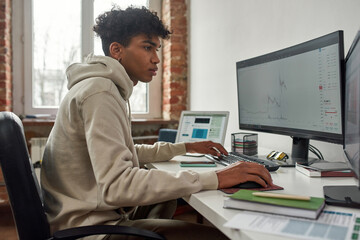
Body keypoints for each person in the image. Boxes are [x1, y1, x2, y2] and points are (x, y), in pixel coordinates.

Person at [41, 6, 273, 240]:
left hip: (89, 212)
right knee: (224, 236)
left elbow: (128, 152)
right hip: (88, 229)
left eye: (157, 49)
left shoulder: (104, 87)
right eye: (147, 47)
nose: (157, 59)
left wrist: (186, 148)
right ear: (117, 50)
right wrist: (216, 178)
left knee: (168, 195)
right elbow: (117, 185)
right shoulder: (100, 92)